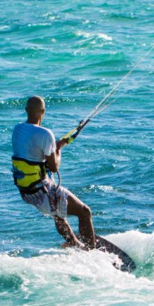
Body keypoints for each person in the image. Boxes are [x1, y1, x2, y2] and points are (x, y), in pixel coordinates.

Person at [11, 95, 96, 250]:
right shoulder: (46, 134)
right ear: (43, 112)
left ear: (26, 110)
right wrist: (58, 150)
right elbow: (54, 167)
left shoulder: (17, 130)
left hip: (26, 191)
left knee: (58, 213)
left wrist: (57, 145)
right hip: (42, 191)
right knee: (84, 212)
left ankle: (76, 245)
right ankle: (92, 253)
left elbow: (32, 154)